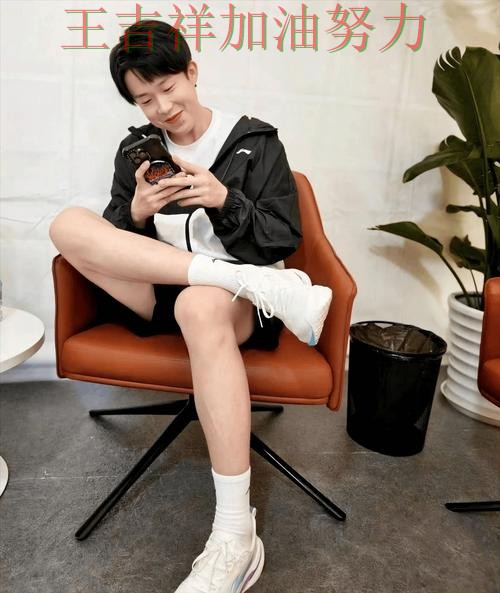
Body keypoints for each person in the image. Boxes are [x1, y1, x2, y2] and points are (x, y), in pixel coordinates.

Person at [49, 19, 332, 593]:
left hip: (232, 303)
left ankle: (235, 534)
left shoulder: (256, 142)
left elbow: (282, 238)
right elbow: (113, 244)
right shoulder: (136, 151)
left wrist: (225, 200)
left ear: (192, 72)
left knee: (200, 306)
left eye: (169, 87)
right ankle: (252, 283)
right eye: (144, 99)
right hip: (163, 292)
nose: (162, 108)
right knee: (65, 225)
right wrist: (137, 212)